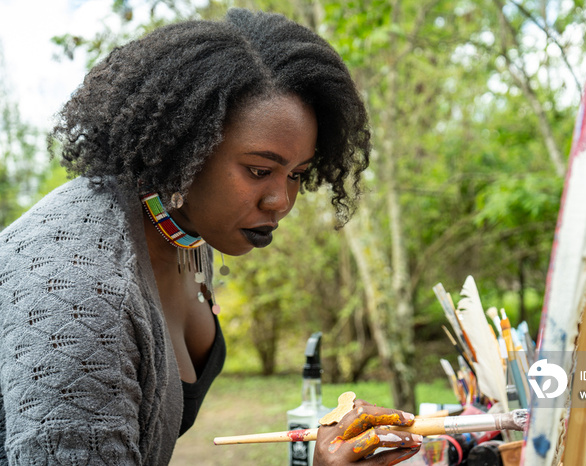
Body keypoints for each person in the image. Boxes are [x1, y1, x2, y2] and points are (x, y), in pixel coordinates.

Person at [0, 8, 423, 465]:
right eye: (259, 170)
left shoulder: (183, 227)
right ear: (183, 146)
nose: (281, 200)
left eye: (297, 174)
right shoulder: (80, 292)